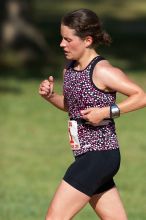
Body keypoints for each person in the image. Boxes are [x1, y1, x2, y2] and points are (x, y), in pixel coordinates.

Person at [39, 8, 146, 220]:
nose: (62, 44)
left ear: (87, 40)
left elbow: (141, 96)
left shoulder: (103, 71)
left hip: (100, 156)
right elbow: (71, 107)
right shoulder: (69, 69)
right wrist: (50, 96)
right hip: (85, 155)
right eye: (62, 38)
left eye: (68, 39)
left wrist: (107, 111)